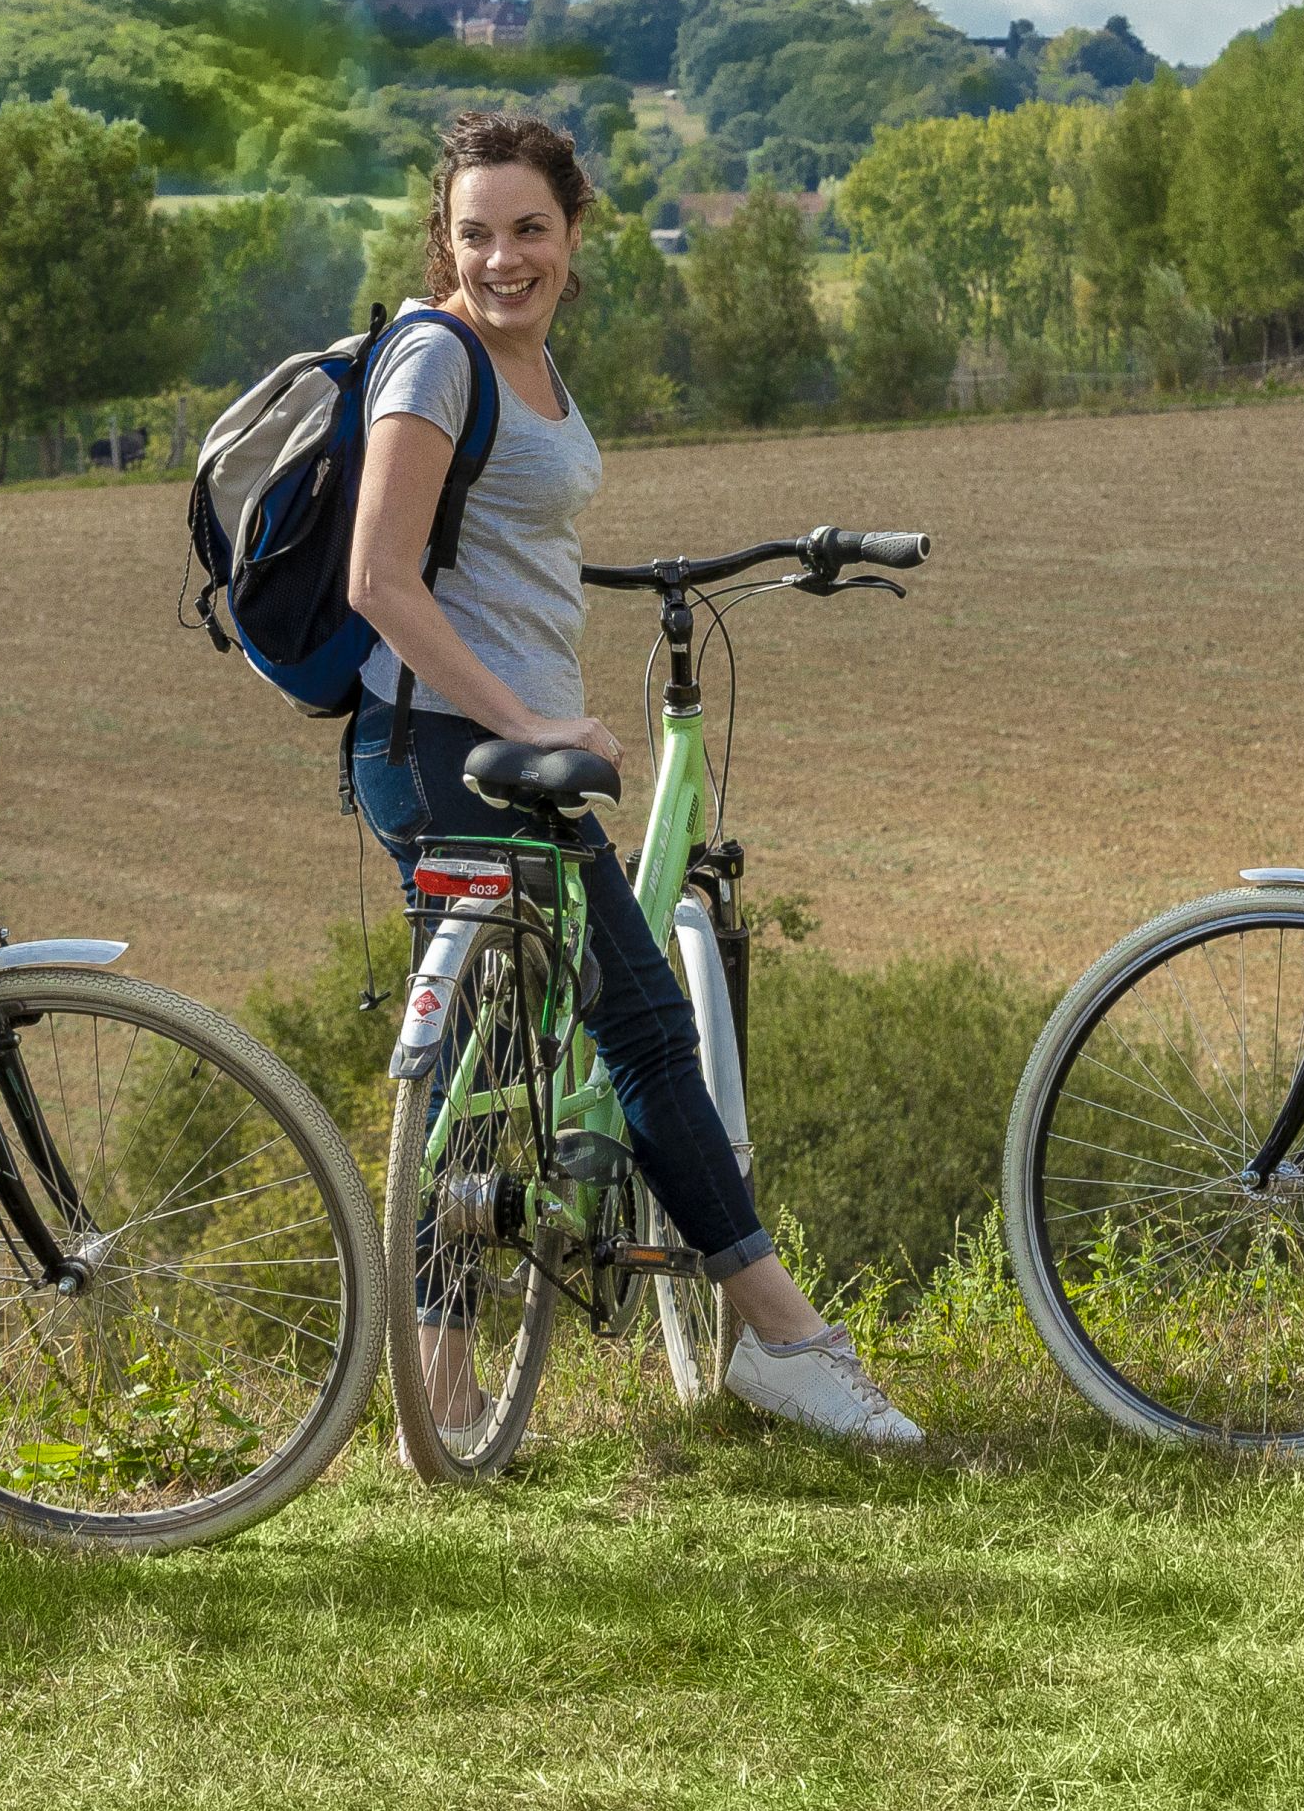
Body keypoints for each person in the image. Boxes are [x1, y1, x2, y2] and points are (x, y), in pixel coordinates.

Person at [344, 107, 922, 1454]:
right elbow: (378, 580)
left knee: (491, 1073)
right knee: (645, 1031)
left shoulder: (528, 365)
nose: (503, 256)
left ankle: (441, 1379)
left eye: (528, 229)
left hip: (480, 745)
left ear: (573, 228)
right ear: (446, 235)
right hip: (446, 747)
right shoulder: (433, 359)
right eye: (476, 231)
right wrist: (537, 715)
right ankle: (790, 1341)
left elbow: (502, 544)